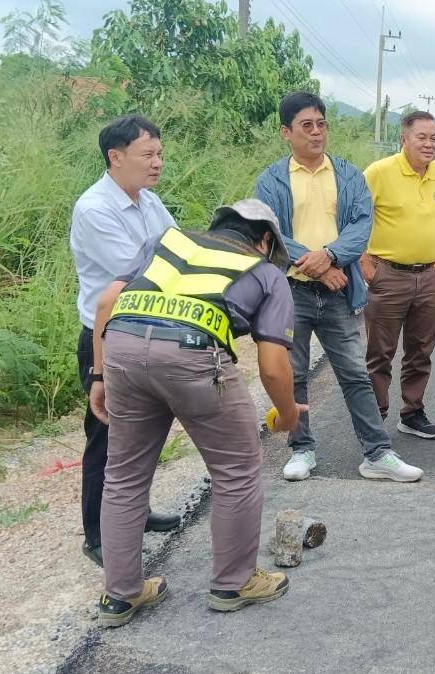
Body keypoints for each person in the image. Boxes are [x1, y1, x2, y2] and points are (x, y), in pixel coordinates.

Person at [87, 199, 304, 626]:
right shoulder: (265, 273)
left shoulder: (168, 241)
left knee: (124, 474)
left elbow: (107, 301)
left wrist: (98, 376)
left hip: (122, 348)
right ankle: (234, 583)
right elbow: (273, 366)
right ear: (265, 240)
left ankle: (121, 595)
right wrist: (288, 414)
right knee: (236, 470)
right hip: (194, 357)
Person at [254, 92, 421, 483]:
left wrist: (329, 256)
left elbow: (361, 226)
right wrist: (318, 267)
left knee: (355, 373)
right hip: (290, 293)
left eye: (321, 124)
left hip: (339, 290)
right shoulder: (270, 180)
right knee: (294, 373)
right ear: (286, 132)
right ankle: (302, 449)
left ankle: (377, 454)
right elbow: (267, 231)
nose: (316, 132)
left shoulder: (348, 175)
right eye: (306, 126)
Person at [69, 115, 181, 567]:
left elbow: (179, 248)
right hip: (108, 336)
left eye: (159, 154)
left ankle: (137, 510)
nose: (157, 163)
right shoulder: (94, 209)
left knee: (143, 429)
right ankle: (97, 534)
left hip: (148, 329)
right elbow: (139, 273)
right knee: (107, 434)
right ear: (115, 157)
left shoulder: (150, 202)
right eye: (147, 155)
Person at [361, 111, 435, 440]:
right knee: (380, 352)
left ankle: (412, 412)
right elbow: (350, 215)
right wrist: (363, 261)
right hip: (387, 275)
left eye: (434, 138)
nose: (429, 144)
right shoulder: (379, 172)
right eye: (421, 137)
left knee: (421, 349)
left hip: (429, 277)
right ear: (404, 139)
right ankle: (375, 417)